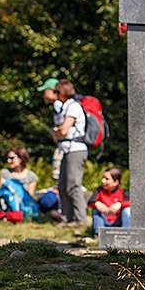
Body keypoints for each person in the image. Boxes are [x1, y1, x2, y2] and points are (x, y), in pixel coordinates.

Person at [52, 79, 89, 228]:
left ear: (63, 92)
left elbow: (63, 130)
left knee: (73, 185)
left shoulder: (73, 106)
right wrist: (57, 131)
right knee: (62, 184)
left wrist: (56, 130)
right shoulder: (64, 107)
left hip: (76, 149)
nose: (55, 95)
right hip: (66, 149)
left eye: (57, 92)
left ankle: (80, 219)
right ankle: (67, 218)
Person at [87, 166, 131, 236]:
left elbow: (131, 202)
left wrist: (119, 204)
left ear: (116, 182)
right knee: (95, 210)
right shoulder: (99, 190)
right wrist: (97, 203)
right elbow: (90, 202)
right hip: (104, 220)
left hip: (117, 221)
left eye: (107, 179)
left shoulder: (122, 191)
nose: (103, 181)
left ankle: (126, 233)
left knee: (127, 210)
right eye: (103, 178)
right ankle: (98, 234)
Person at [37, 78, 64, 182]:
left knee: (58, 176)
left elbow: (62, 125)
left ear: (52, 90)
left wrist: (55, 130)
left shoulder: (58, 104)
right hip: (65, 145)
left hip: (63, 146)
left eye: (45, 92)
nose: (44, 96)